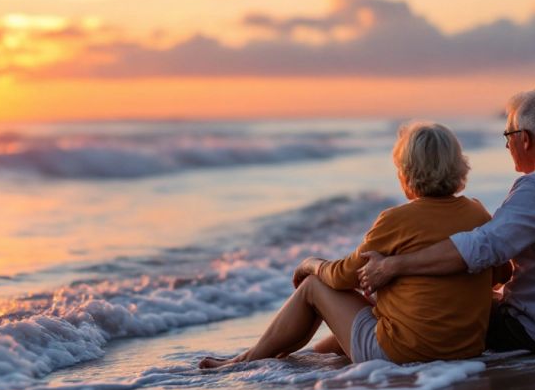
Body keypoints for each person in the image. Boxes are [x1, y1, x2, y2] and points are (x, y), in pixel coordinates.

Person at [200, 122, 509, 369]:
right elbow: (499, 274)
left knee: (312, 287)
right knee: (365, 317)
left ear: (407, 172)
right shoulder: (477, 212)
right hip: (465, 348)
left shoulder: (396, 220)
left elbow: (340, 277)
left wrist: (309, 263)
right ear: (458, 165)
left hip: (406, 354)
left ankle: (246, 361)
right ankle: (295, 359)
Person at [358, 89, 535, 353]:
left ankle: (335, 363)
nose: (507, 144)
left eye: (508, 135)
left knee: (426, 307)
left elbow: (479, 249)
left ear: (524, 139)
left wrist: (394, 265)